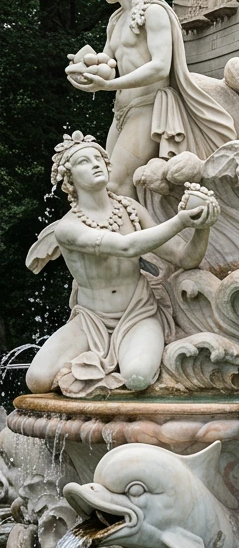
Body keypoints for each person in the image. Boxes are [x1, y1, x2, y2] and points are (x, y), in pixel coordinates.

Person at [25, 132, 219, 397]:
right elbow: (127, 247)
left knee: (137, 378)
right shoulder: (68, 228)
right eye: (84, 161)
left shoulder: (130, 209)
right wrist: (181, 221)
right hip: (90, 320)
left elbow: (186, 258)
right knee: (37, 381)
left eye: (98, 158)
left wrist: (202, 226)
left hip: (138, 312)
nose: (95, 164)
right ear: (69, 179)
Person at [66, 0, 236, 196]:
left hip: (149, 108)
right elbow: (107, 63)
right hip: (122, 112)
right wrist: (85, 69)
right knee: (105, 185)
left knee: (116, 185)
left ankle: (145, 233)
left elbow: (160, 66)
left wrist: (108, 84)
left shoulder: (153, 11)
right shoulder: (115, 20)